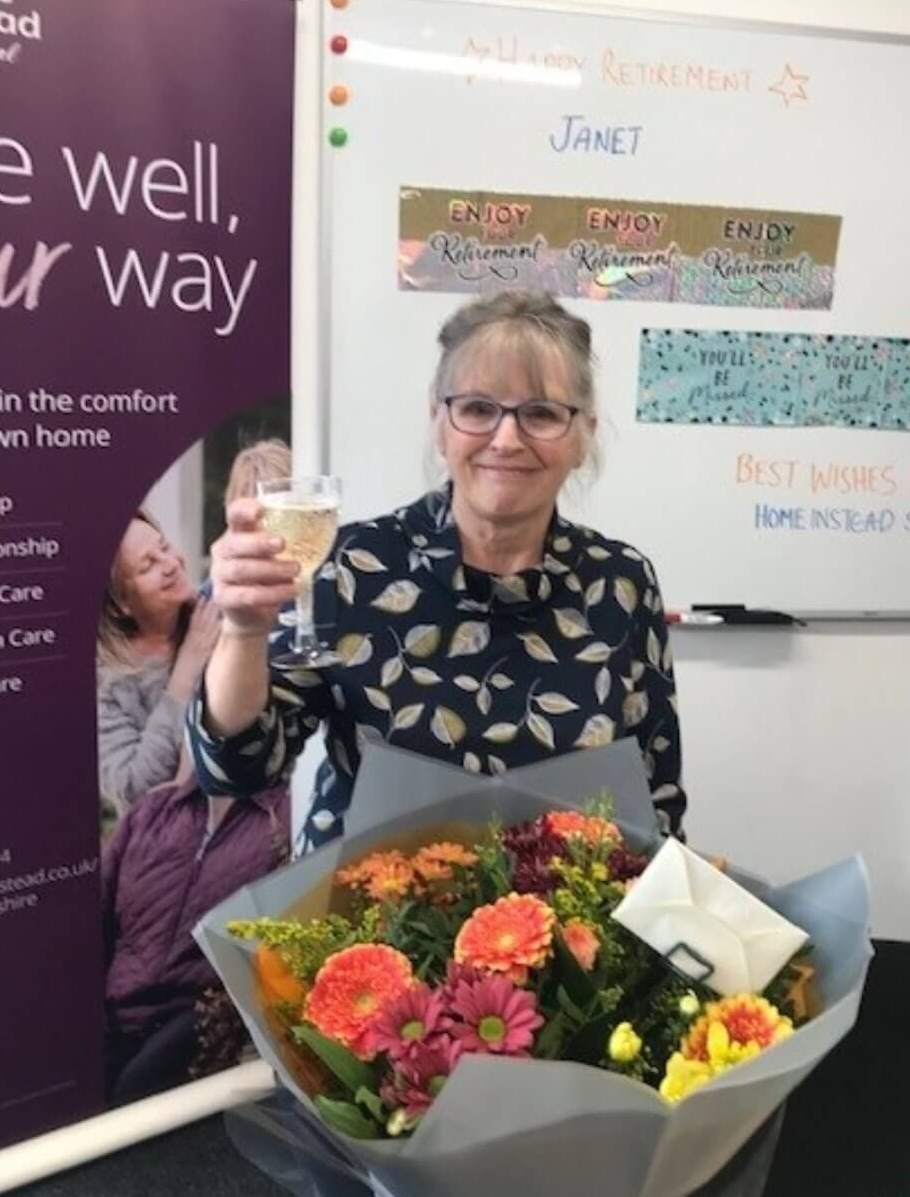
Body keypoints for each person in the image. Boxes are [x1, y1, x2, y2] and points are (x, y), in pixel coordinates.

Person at [188, 290, 686, 846]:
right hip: (368, 920)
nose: (506, 439)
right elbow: (236, 770)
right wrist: (242, 632)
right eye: (477, 409)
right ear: (439, 422)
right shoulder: (349, 567)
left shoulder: (619, 583)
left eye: (541, 414)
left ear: (583, 435)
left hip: (563, 926)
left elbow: (657, 803)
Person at [101, 772, 289, 1104]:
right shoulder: (153, 810)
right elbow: (94, 915)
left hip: (197, 1027)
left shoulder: (286, 819)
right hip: (112, 1013)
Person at [97, 511, 219, 825]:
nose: (170, 564)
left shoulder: (216, 615)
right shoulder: (107, 680)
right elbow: (134, 790)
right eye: (147, 565)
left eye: (164, 547)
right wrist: (185, 672)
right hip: (168, 849)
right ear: (120, 603)